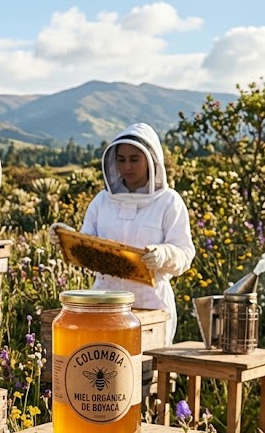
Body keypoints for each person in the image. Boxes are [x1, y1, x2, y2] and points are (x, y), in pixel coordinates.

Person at [50, 123, 194, 345]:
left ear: (151, 159)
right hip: (103, 302)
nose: (127, 166)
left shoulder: (169, 202)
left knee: (147, 367)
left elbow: (184, 254)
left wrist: (164, 254)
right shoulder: (102, 201)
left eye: (134, 159)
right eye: (121, 159)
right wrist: (66, 238)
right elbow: (88, 245)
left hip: (151, 303)